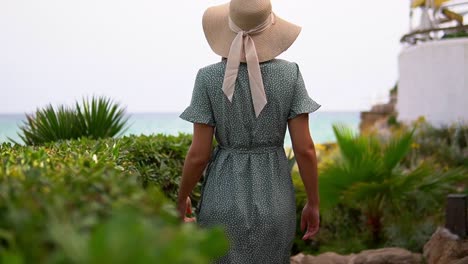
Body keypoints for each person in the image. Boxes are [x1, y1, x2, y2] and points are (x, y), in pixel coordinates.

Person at [177, 0, 320, 262]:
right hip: (275, 202)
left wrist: (181, 197)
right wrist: (313, 202)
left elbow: (198, 154)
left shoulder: (207, 78)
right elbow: (305, 149)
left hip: (221, 201)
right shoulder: (291, 75)